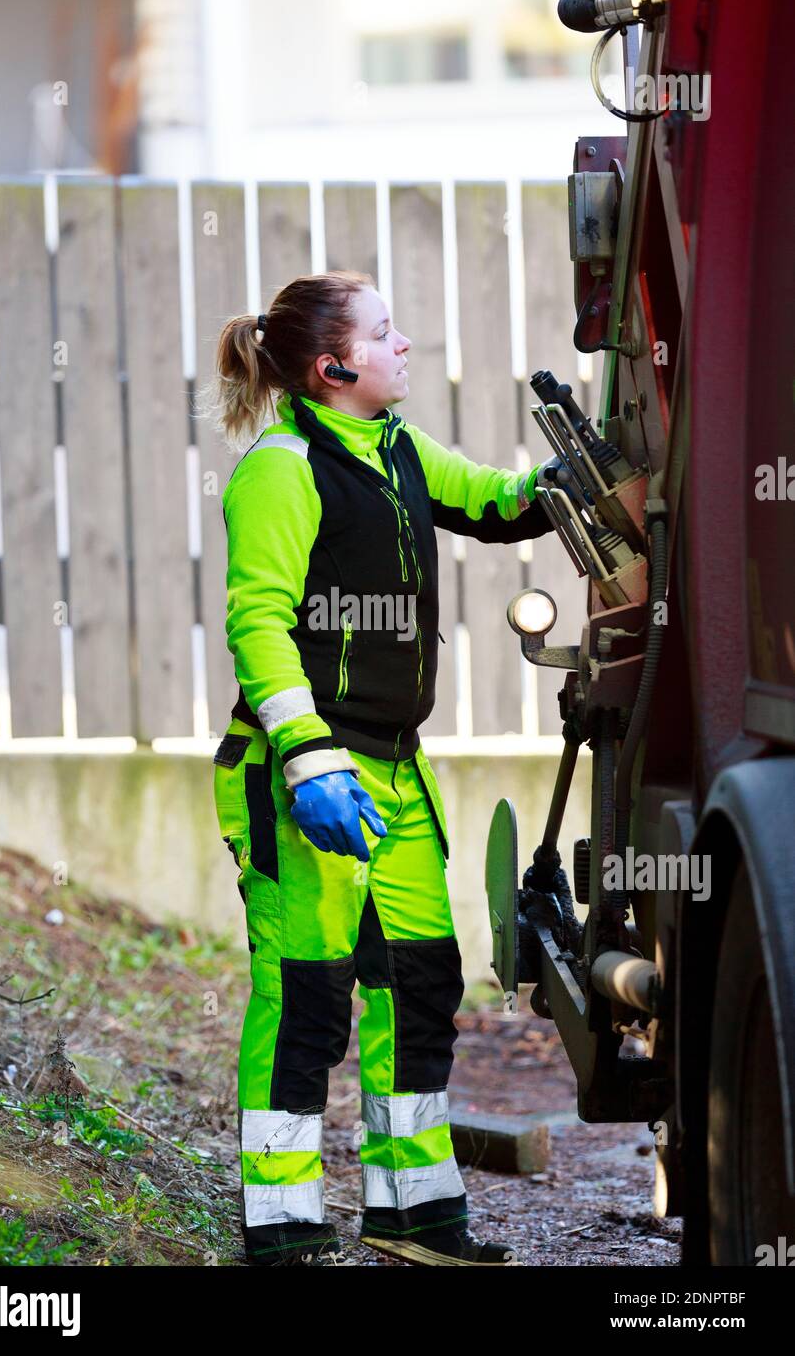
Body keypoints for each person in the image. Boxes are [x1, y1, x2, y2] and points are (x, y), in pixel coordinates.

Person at [208, 269, 557, 1267]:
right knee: (307, 992)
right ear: (333, 365)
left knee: (416, 981)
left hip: (395, 773)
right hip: (300, 775)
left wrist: (577, 479)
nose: (405, 346)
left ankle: (411, 1215)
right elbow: (257, 623)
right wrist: (307, 755)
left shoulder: (399, 447)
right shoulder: (279, 468)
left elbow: (495, 504)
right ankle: (280, 1229)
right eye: (385, 332)